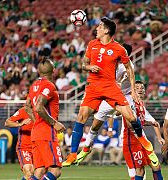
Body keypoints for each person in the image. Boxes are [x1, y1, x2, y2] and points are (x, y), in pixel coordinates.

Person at [62, 20, 150, 166]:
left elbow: (129, 69)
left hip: (110, 86)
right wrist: (89, 66)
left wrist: (133, 91)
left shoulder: (118, 49)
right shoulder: (92, 44)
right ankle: (72, 154)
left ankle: (143, 139)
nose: (97, 28)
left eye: (100, 27)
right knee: (81, 116)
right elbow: (83, 64)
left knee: (130, 116)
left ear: (107, 31)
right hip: (93, 86)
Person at [25, 58, 66, 180]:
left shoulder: (33, 86)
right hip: (46, 132)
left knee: (40, 170)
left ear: (39, 71)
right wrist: (54, 123)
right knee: (55, 170)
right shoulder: (49, 85)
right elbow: (38, 107)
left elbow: (27, 107)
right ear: (53, 70)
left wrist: (36, 121)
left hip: (36, 132)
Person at [4, 107, 34, 180]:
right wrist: (20, 124)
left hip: (38, 147)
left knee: (38, 173)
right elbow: (7, 122)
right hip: (25, 147)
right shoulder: (24, 111)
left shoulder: (43, 112)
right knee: (28, 172)